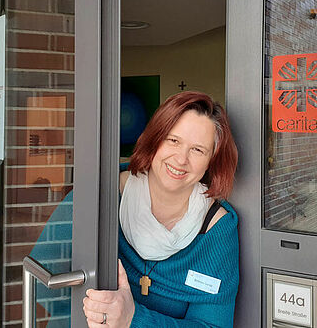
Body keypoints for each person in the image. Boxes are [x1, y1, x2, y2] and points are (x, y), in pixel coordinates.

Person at [82, 91, 239, 327]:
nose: (181, 159)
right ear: (154, 140)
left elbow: (212, 325)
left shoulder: (217, 230)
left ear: (211, 161)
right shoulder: (100, 195)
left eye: (198, 150)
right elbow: (49, 283)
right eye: (173, 141)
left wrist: (133, 319)